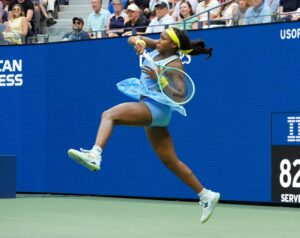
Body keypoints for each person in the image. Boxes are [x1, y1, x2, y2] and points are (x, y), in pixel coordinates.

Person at [68, 27, 220, 224]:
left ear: (173, 44)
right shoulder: (158, 46)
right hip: (153, 111)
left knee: (109, 115)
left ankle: (95, 155)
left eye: (163, 38)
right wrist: (138, 43)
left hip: (155, 108)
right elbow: (132, 38)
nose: (159, 39)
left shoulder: (175, 63)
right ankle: (206, 195)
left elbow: (181, 95)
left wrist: (161, 79)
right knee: (170, 161)